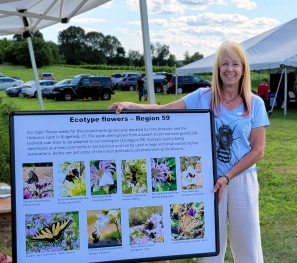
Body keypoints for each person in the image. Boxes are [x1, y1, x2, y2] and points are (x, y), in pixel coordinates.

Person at [108, 41, 269, 263]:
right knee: (210, 250)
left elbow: (258, 150)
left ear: (243, 69)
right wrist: (131, 106)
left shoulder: (255, 103)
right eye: (224, 64)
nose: (229, 69)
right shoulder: (203, 97)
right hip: (209, 182)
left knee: (248, 248)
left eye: (235, 64)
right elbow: (165, 110)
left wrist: (227, 177)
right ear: (217, 68)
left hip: (242, 180)